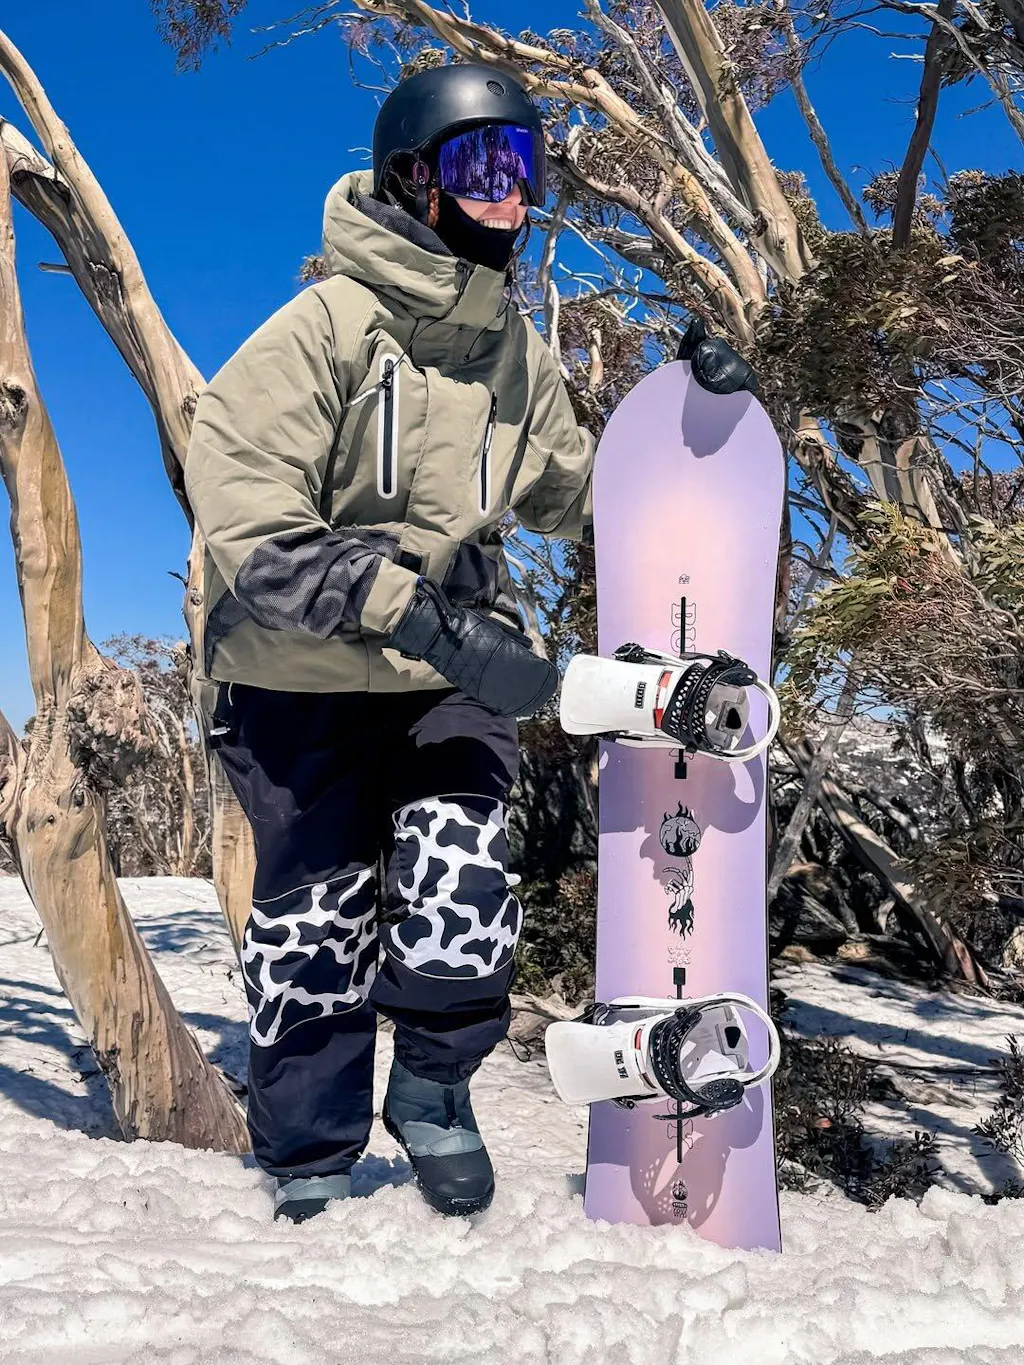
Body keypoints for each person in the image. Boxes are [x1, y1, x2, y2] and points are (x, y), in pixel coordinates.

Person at [184, 63, 755, 1224]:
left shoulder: (512, 353)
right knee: (315, 922)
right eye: (482, 164)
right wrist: (419, 615)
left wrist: (686, 419)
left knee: (463, 878)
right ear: (413, 178)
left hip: (444, 673)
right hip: (292, 676)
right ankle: (308, 1151)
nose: (512, 193)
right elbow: (249, 528)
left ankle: (434, 1087)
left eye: (524, 167)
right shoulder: (321, 332)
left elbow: (581, 496)